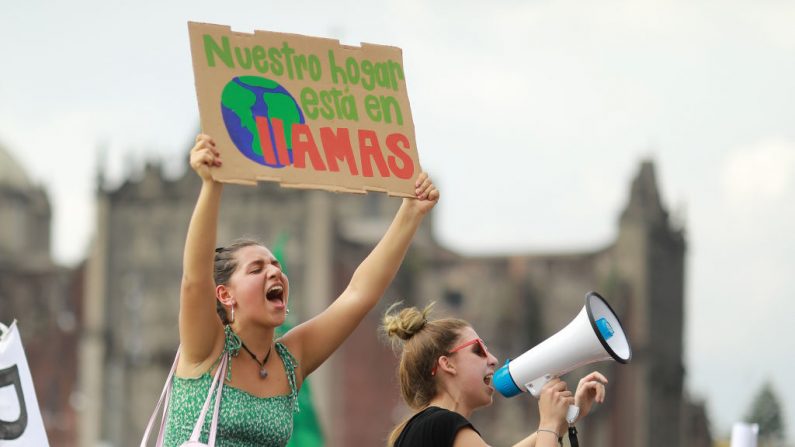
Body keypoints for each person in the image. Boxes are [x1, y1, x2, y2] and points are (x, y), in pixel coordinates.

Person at [162, 134, 439, 446]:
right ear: (225, 294)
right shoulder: (206, 349)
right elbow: (195, 281)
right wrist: (212, 185)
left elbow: (358, 294)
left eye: (276, 266)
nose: (274, 271)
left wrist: (411, 213)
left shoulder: (289, 361)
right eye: (257, 268)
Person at [382, 303, 608, 447]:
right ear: (447, 364)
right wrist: (548, 422)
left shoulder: (431, 427)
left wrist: (567, 418)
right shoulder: (442, 424)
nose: (493, 359)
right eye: (478, 350)